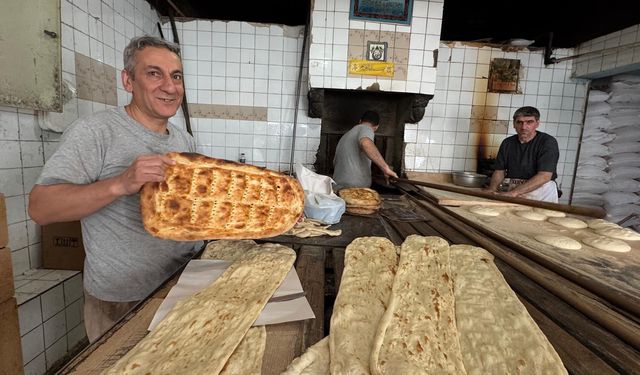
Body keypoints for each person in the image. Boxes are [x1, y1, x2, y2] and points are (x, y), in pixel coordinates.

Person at [28, 35, 199, 343]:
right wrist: (121, 183)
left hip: (179, 286)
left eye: (176, 76)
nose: (169, 86)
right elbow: (40, 208)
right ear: (128, 80)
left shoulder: (182, 139)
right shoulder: (96, 132)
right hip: (120, 302)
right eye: (153, 73)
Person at [484, 106, 560, 202]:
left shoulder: (547, 142)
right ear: (514, 124)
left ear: (537, 124)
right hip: (513, 189)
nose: (524, 127)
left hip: (540, 192)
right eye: (519, 122)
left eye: (529, 122)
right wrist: (492, 189)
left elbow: (544, 176)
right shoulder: (508, 143)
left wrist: (513, 193)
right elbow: (499, 171)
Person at [332, 110, 398, 191]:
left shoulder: (346, 135)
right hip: (354, 190)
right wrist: (386, 168)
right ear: (377, 127)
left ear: (360, 121)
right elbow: (365, 143)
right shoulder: (366, 129)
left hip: (339, 187)